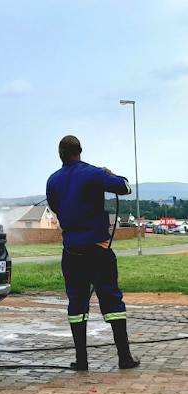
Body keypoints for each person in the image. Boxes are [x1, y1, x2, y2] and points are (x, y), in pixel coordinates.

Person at [46, 135, 140, 370]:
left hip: (72, 252)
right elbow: (125, 187)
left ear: (61, 153)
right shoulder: (93, 173)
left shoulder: (53, 180)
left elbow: (55, 207)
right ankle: (124, 357)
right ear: (81, 151)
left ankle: (81, 360)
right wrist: (108, 174)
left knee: (77, 304)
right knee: (111, 300)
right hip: (99, 250)